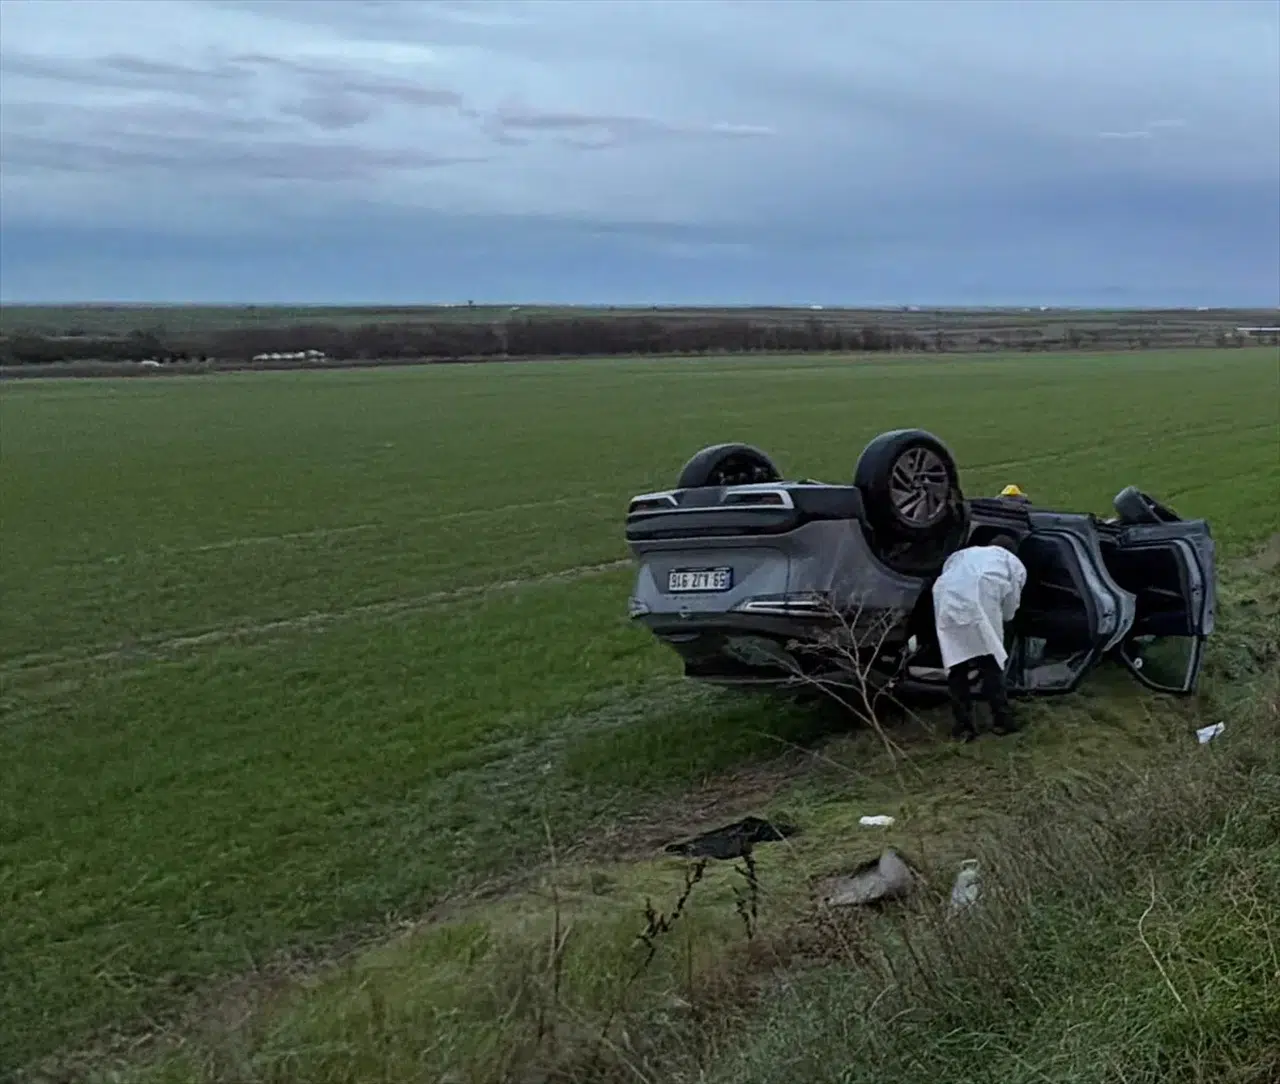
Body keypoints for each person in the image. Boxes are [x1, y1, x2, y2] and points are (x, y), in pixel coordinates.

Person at [931, 533, 1027, 741]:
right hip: (980, 603)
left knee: (957, 665)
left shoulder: (963, 554)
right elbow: (1011, 605)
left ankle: (964, 727)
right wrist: (1006, 619)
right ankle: (1003, 721)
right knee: (990, 663)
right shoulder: (1013, 562)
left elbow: (947, 571)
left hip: (946, 599)